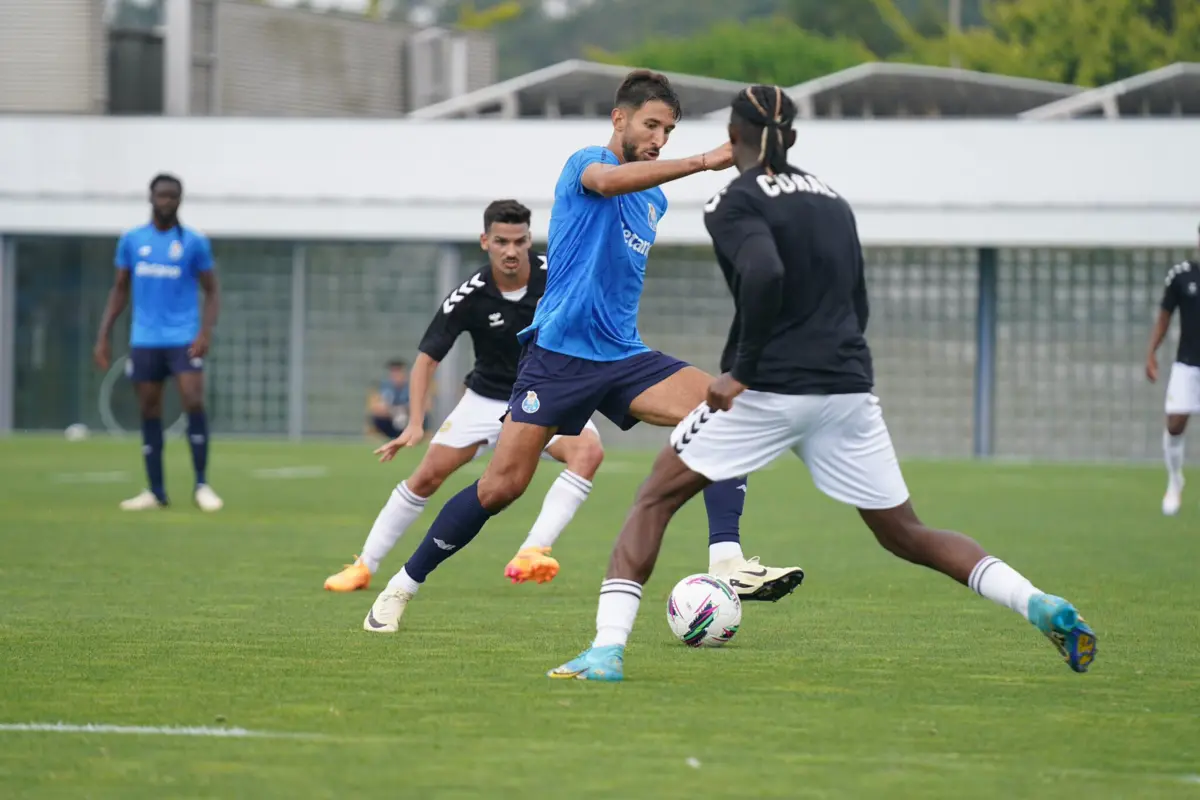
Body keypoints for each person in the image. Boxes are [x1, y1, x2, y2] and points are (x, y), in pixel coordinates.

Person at [548, 85, 1098, 682]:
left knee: (654, 501)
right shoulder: (833, 201)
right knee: (906, 532)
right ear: (793, 139)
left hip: (772, 388)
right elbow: (856, 298)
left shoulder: (733, 200)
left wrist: (739, 369)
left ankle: (606, 651)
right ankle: (1035, 600)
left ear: (733, 140)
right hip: (848, 387)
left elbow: (762, 272)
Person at [362, 71, 804, 634]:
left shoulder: (655, 200)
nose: (660, 139)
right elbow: (607, 180)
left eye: (668, 130)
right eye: (651, 125)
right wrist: (704, 159)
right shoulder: (586, 164)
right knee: (502, 487)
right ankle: (402, 587)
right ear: (619, 118)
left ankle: (727, 559)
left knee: (723, 409)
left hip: (623, 356)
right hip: (557, 357)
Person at [326, 200, 605, 593]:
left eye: (519, 241)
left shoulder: (557, 274)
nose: (511, 250)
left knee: (588, 452)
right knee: (426, 476)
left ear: (529, 240)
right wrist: (417, 424)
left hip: (544, 395)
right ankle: (363, 566)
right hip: (486, 399)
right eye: (501, 241)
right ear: (484, 241)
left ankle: (532, 549)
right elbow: (426, 359)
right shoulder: (470, 295)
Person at [93, 173, 223, 512]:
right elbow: (119, 289)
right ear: (150, 198)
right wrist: (104, 334)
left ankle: (201, 485)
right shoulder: (133, 240)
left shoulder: (194, 242)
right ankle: (156, 491)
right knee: (149, 409)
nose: (167, 202)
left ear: (180, 200)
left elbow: (212, 291)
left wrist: (205, 331)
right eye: (161, 196)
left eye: (173, 196)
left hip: (183, 337)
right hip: (145, 338)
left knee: (193, 400)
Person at [1146, 224, 1200, 516]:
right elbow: (1164, 317)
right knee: (1175, 423)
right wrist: (1151, 353)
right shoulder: (1181, 276)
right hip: (1188, 365)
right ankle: (1174, 480)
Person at [369, 359, 411, 439]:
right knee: (377, 416)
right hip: (389, 419)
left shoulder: (411, 386)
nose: (396, 374)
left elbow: (423, 406)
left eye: (398, 371)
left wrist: (403, 410)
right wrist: (393, 411)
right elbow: (376, 407)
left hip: (408, 419)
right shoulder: (384, 386)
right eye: (393, 371)